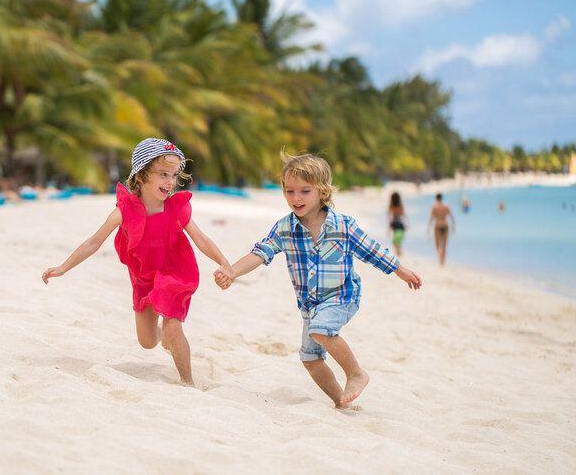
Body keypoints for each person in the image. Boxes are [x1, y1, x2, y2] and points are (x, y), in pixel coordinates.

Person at [214, 154, 422, 408]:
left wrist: (399, 270)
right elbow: (261, 252)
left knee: (321, 330)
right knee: (310, 358)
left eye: (304, 191)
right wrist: (233, 272)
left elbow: (372, 250)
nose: (296, 198)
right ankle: (341, 401)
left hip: (342, 296)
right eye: (289, 191)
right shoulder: (284, 229)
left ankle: (356, 373)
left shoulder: (342, 225)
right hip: (310, 305)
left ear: (322, 191)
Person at [42, 138, 233, 386]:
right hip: (143, 276)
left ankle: (188, 382)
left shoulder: (177, 209)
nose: (170, 182)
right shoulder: (124, 211)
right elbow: (94, 241)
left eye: (174, 175)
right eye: (163, 174)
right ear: (141, 175)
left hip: (175, 271)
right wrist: (64, 267)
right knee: (147, 341)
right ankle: (165, 333)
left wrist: (223, 261)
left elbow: (201, 239)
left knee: (173, 326)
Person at [428, 193, 455, 266]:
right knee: (444, 245)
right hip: (445, 226)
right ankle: (442, 261)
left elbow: (431, 218)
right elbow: (451, 217)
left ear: (436, 198)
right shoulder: (446, 206)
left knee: (437, 245)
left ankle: (440, 258)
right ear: (441, 198)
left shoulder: (434, 207)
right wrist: (453, 226)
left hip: (437, 226)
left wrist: (428, 227)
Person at [388, 192, 407, 256]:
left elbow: (390, 216)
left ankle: (399, 252)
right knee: (397, 240)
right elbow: (404, 215)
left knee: (395, 241)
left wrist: (389, 226)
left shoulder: (391, 206)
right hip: (400, 224)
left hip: (394, 224)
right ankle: (399, 252)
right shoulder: (400, 206)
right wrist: (406, 224)